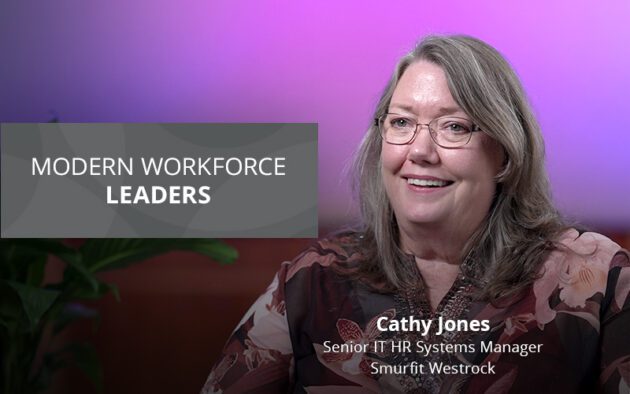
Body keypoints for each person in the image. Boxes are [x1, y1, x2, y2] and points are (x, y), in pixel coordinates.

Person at [202, 35, 630, 393]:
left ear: (505, 151)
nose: (419, 152)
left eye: (454, 127)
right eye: (402, 122)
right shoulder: (310, 281)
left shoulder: (594, 277)